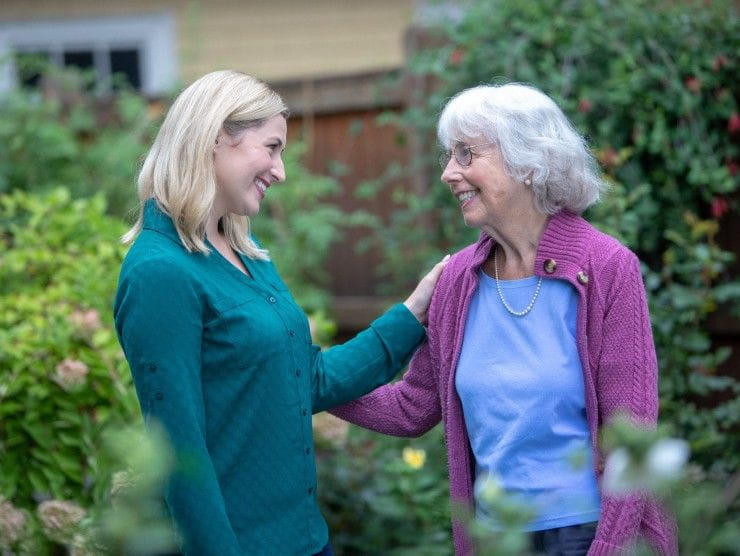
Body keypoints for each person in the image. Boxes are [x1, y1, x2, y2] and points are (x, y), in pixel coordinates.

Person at [113, 70, 448, 556]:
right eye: (271, 147)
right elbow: (178, 452)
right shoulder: (159, 273)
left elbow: (304, 381)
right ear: (215, 138)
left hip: (306, 539)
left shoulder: (245, 254)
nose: (280, 170)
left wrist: (413, 314)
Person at [332, 83, 677, 555]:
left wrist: (608, 549)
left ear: (528, 162)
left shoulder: (604, 267)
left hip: (585, 533)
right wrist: (307, 379)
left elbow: (629, 435)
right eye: (449, 157)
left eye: (467, 154)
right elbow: (413, 406)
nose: (449, 174)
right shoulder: (457, 280)